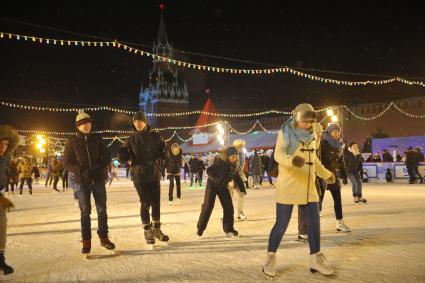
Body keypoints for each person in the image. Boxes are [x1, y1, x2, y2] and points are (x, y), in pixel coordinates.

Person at [262, 104, 336, 277]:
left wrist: (326, 174)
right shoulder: (285, 133)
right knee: (281, 224)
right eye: (305, 121)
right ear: (296, 118)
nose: (308, 124)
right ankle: (270, 258)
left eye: (311, 121)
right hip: (289, 184)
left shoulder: (312, 136)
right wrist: (291, 161)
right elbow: (278, 155)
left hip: (309, 186)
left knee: (314, 223)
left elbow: (314, 160)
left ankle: (315, 259)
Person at [63, 110, 115, 254]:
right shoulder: (72, 142)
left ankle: (104, 237)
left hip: (98, 180)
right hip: (82, 182)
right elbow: (66, 162)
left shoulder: (97, 139)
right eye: (83, 124)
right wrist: (80, 170)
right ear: (78, 126)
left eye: (88, 123)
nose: (86, 126)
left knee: (102, 210)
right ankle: (86, 240)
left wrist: (98, 168)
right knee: (85, 212)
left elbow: (107, 155)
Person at [119, 111, 169, 245]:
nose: (138, 124)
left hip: (153, 173)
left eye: (140, 121)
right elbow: (123, 159)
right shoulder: (131, 139)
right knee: (145, 202)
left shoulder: (156, 136)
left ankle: (157, 228)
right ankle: (147, 229)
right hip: (139, 176)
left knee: (156, 203)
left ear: (145, 122)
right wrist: (122, 153)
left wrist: (163, 155)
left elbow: (164, 150)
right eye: (135, 122)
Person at [196, 146, 244, 238]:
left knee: (229, 207)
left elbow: (236, 177)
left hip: (222, 187)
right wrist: (216, 178)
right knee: (208, 206)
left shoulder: (234, 166)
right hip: (212, 185)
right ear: (228, 156)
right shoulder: (220, 162)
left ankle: (229, 229)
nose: (234, 159)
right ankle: (200, 228)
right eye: (232, 157)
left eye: (236, 157)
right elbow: (209, 170)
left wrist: (242, 189)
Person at [320, 123, 351, 232]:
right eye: (335, 132)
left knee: (338, 200)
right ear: (329, 132)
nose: (337, 134)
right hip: (323, 175)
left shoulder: (340, 144)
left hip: (334, 175)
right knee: (319, 200)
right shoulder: (323, 143)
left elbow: (341, 161)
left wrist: (344, 175)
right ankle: (314, 223)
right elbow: (318, 159)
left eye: (338, 132)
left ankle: (340, 223)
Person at [0, 125, 19, 274]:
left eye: (6, 144)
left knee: (1, 226)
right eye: (0, 143)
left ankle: (0, 259)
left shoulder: (5, 158)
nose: (3, 147)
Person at [231, 139, 248, 220]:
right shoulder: (230, 153)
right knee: (227, 197)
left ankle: (240, 213)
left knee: (242, 194)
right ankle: (226, 214)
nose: (241, 147)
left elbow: (241, 166)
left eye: (242, 146)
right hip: (229, 177)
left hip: (238, 176)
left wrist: (241, 173)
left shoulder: (242, 154)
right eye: (240, 146)